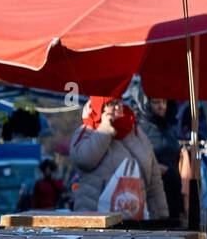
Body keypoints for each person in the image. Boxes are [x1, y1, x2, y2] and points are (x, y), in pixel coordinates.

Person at [69, 96, 169, 219]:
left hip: (136, 221)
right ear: (101, 108)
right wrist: (105, 130)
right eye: (111, 104)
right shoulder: (89, 129)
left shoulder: (137, 133)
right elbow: (82, 159)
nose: (117, 107)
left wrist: (162, 217)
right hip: (95, 223)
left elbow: (154, 183)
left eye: (119, 102)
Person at [137, 97, 183, 226]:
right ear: (147, 104)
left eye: (163, 102)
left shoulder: (168, 126)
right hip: (154, 194)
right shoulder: (142, 128)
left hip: (173, 193)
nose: (161, 106)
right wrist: (156, 168)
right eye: (156, 102)